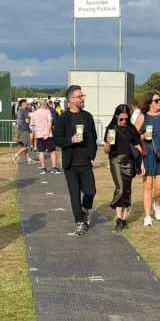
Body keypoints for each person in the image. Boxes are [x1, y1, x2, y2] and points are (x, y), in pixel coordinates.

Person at [53, 84, 98, 235]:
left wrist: (92, 155)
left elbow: (93, 137)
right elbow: (57, 139)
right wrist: (70, 140)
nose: (82, 98)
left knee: (90, 191)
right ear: (71, 99)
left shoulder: (87, 116)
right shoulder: (63, 118)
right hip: (70, 164)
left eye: (82, 96)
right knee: (74, 195)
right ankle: (79, 221)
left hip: (86, 162)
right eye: (80, 96)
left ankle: (85, 209)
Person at [103, 104, 143, 230]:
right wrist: (108, 143)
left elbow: (137, 146)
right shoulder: (111, 129)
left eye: (126, 119)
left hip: (129, 161)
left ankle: (123, 218)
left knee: (127, 190)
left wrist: (141, 163)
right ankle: (117, 214)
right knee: (120, 188)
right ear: (116, 116)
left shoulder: (131, 129)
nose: (124, 121)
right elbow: (106, 150)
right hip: (116, 160)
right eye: (121, 119)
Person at [135, 91, 160, 226]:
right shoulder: (142, 117)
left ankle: (157, 205)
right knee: (147, 186)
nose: (159, 103)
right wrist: (142, 137)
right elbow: (133, 137)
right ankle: (147, 216)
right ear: (149, 103)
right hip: (147, 154)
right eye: (156, 101)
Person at [30, 99, 57, 174]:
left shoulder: (34, 113)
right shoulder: (47, 111)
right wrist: (47, 132)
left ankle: (43, 168)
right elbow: (50, 121)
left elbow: (32, 124)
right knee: (52, 151)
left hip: (39, 135)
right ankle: (54, 168)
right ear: (45, 104)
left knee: (41, 152)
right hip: (48, 134)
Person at [12, 98, 31, 165]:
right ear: (23, 104)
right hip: (24, 129)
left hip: (20, 129)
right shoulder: (25, 111)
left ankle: (28, 158)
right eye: (27, 103)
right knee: (26, 145)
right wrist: (29, 118)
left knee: (23, 145)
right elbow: (27, 121)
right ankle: (16, 155)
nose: (28, 104)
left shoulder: (19, 111)